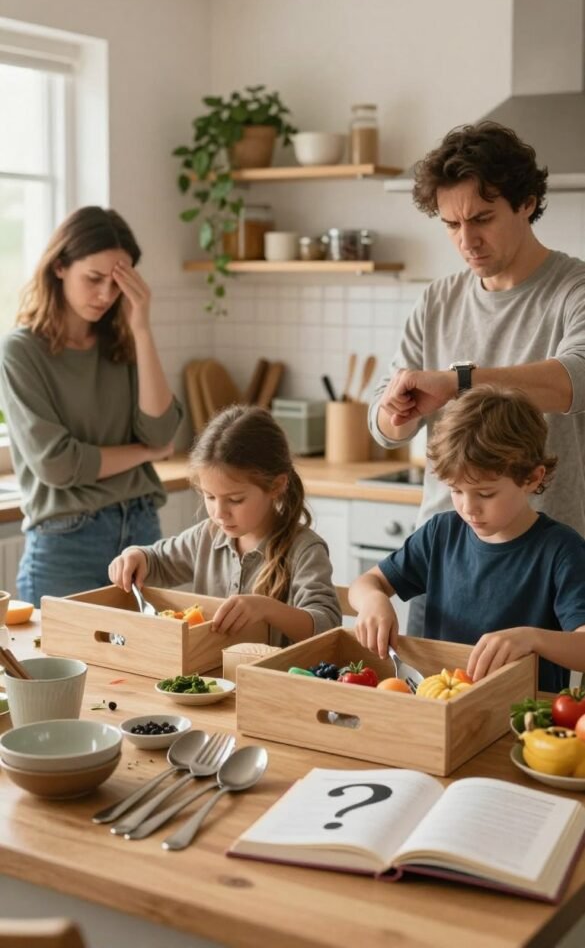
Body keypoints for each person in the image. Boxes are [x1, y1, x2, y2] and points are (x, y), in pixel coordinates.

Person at [369, 121, 585, 635]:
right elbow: (383, 425)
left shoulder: (574, 289)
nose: (466, 240)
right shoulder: (437, 299)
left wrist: (459, 381)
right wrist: (396, 412)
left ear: (527, 203)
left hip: (543, 566)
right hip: (444, 564)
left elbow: (574, 380)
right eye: (450, 224)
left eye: (482, 218)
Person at [0, 206, 183, 606]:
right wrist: (144, 454)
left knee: (153, 666)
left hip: (142, 532)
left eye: (118, 284)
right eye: (94, 279)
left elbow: (161, 431)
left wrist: (142, 328)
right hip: (66, 541)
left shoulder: (122, 343)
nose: (105, 295)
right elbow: (58, 465)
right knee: (65, 668)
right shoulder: (21, 351)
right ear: (60, 266)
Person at [352, 386, 585, 693]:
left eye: (486, 494)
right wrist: (373, 600)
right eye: (456, 490)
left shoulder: (561, 550)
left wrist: (533, 638)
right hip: (440, 705)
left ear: (532, 478)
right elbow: (367, 583)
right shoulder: (440, 533)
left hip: (521, 717)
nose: (468, 507)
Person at [108, 404, 342, 646]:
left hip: (274, 680)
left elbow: (327, 624)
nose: (219, 513)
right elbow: (156, 561)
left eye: (235, 500)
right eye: (209, 497)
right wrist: (135, 557)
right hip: (212, 679)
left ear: (276, 486)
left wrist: (267, 609)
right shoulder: (206, 536)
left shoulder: (305, 550)